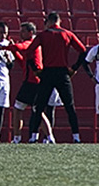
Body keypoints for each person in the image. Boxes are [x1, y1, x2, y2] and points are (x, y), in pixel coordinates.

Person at [25, 12, 88, 142]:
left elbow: (29, 52)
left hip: (47, 73)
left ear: (48, 21)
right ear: (59, 21)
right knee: (69, 106)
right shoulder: (67, 34)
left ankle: (33, 137)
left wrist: (36, 69)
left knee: (40, 106)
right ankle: (76, 137)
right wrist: (74, 68)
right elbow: (83, 51)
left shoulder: (43, 35)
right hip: (62, 73)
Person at [11, 22, 59, 144]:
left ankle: (17, 138)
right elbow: (23, 63)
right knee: (37, 110)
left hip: (31, 82)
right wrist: (13, 51)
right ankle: (50, 137)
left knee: (18, 108)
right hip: (37, 81)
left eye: (23, 31)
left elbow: (21, 47)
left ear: (30, 33)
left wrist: (7, 47)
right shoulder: (37, 45)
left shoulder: (32, 43)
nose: (20, 34)